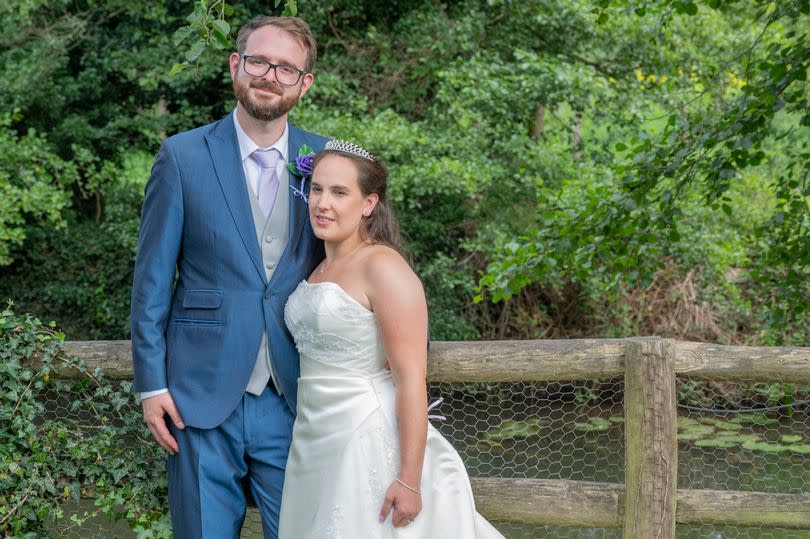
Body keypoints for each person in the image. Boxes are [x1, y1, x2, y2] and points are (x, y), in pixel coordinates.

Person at [130, 16, 328, 539]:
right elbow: (150, 283)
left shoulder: (324, 161)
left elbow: (356, 265)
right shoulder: (182, 156)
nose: (270, 75)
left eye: (287, 68)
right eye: (259, 61)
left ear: (304, 84)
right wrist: (151, 385)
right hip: (198, 397)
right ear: (235, 65)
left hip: (296, 396)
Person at [278, 140, 505, 538]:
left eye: (339, 192)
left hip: (364, 434)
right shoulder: (319, 266)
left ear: (369, 203)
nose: (322, 203)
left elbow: (410, 379)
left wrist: (409, 479)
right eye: (316, 189)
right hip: (313, 438)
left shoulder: (383, 266)